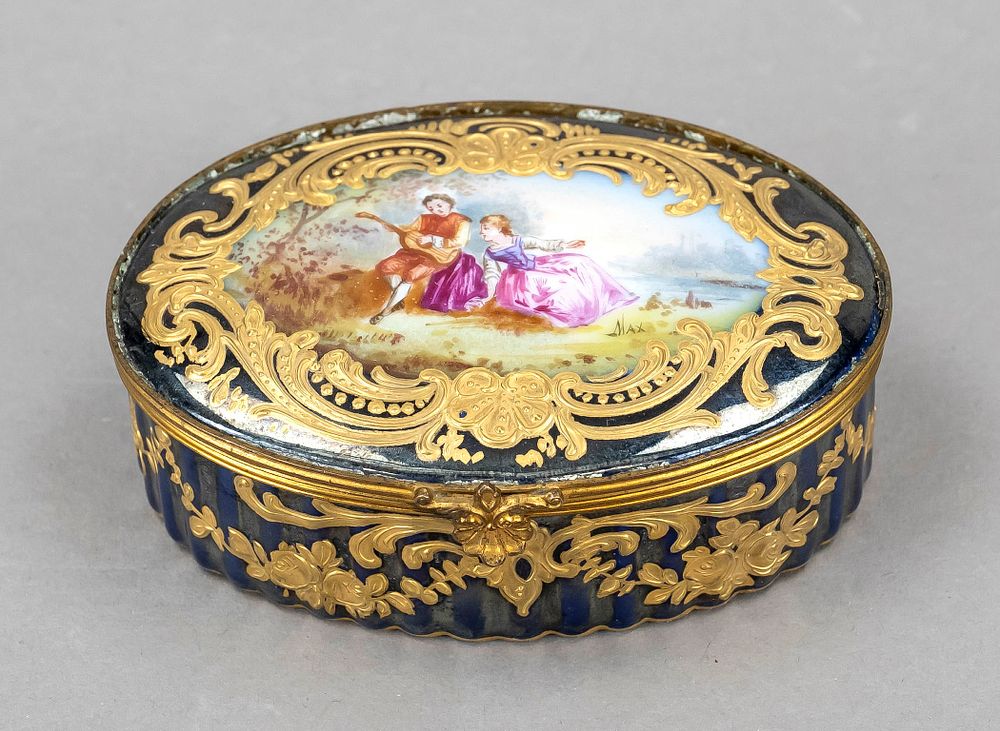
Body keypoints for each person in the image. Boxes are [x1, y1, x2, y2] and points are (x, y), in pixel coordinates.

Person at [469, 214, 638, 328]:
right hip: (519, 280)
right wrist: (488, 296)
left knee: (580, 262)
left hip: (537, 265)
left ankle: (601, 301)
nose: (481, 233)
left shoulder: (518, 240)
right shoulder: (490, 253)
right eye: (482, 229)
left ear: (499, 228)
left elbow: (542, 244)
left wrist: (565, 245)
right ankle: (570, 315)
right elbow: (492, 275)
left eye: (486, 228)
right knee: (560, 284)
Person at [361, 194, 471, 324]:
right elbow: (409, 230)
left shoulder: (461, 221)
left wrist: (432, 239)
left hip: (437, 258)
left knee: (411, 275)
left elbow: (459, 242)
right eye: (431, 208)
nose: (436, 210)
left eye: (439, 206)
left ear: (449, 203)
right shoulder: (424, 219)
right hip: (413, 252)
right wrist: (393, 227)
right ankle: (398, 297)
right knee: (385, 266)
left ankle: (386, 311)